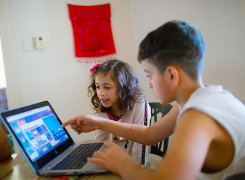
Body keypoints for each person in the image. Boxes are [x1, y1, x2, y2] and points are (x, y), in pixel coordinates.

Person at [62, 20, 245, 180]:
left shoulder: (198, 115)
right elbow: (149, 135)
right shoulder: (201, 99)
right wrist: (98, 122)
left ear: (172, 74)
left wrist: (123, 163)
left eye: (150, 75)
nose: (149, 84)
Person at [87, 60, 151, 168]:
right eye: (98, 87)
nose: (101, 93)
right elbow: (101, 141)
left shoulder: (139, 103)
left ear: (123, 87)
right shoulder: (104, 107)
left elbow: (140, 145)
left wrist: (136, 172)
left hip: (137, 168)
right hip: (116, 164)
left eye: (107, 87)